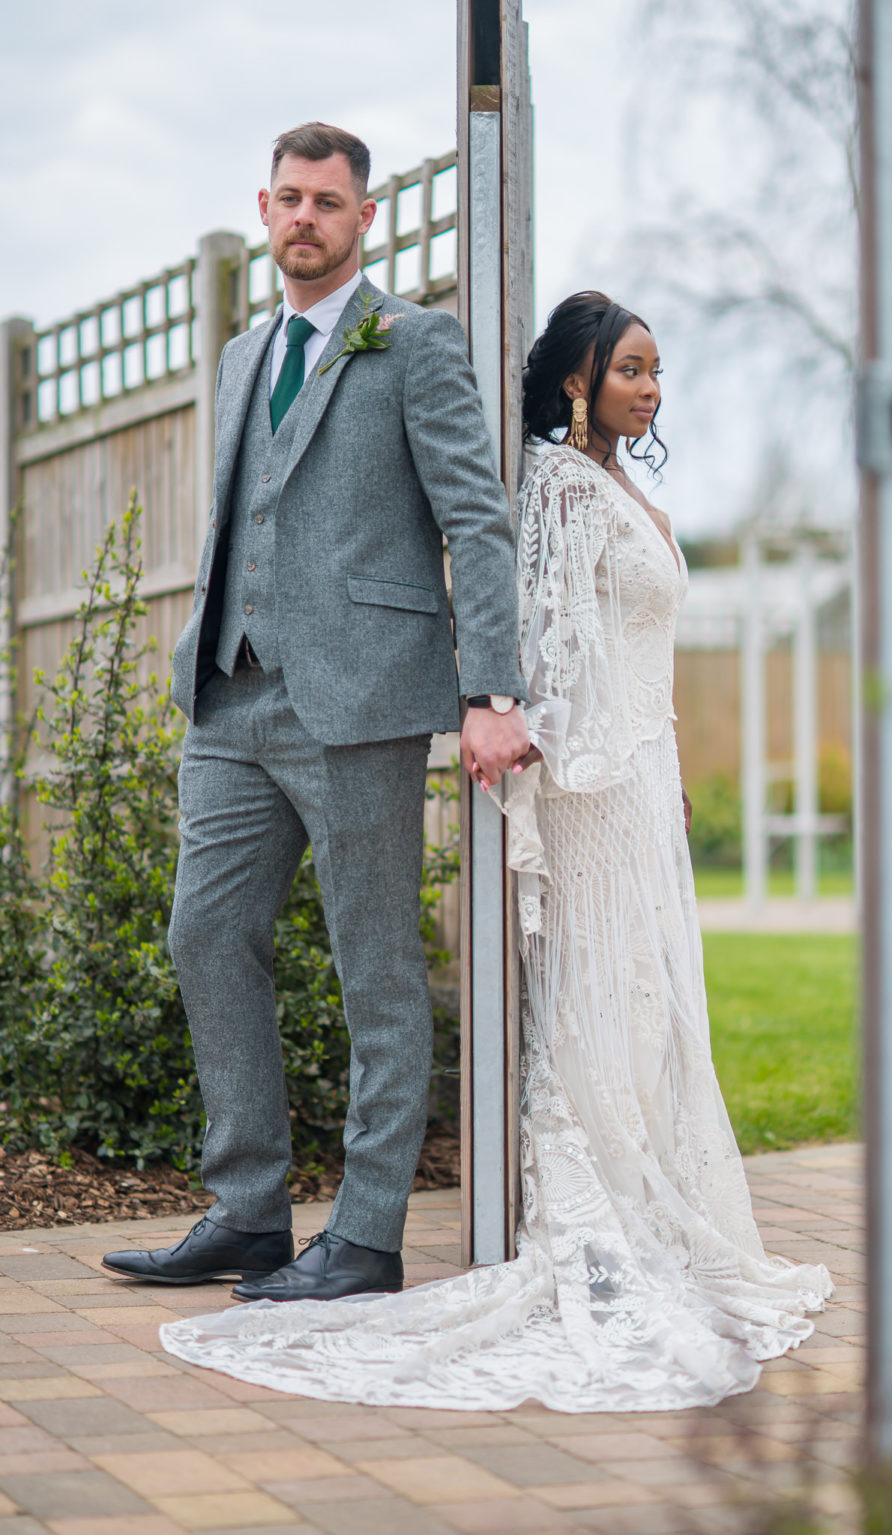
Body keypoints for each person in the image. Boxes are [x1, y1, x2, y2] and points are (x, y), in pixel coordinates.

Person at [159, 291, 832, 1412]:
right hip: (575, 776)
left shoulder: (606, 480)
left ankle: (404, 1230)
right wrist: (507, 708)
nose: (650, 387)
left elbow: (557, 605)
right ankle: (253, 1210)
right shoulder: (559, 485)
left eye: (657, 369)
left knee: (625, 1004)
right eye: (631, 366)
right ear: (577, 378)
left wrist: (624, 763)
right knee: (217, 933)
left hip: (629, 783)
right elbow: (548, 630)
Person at [102, 122, 530, 1302]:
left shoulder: (414, 344)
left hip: (360, 702)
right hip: (230, 698)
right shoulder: (244, 352)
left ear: (363, 217)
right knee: (203, 933)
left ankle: (369, 1232)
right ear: (264, 205)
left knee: (376, 966)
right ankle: (247, 1211)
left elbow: (474, 521)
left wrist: (491, 690)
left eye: (327, 203)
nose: (303, 218)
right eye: (287, 199)